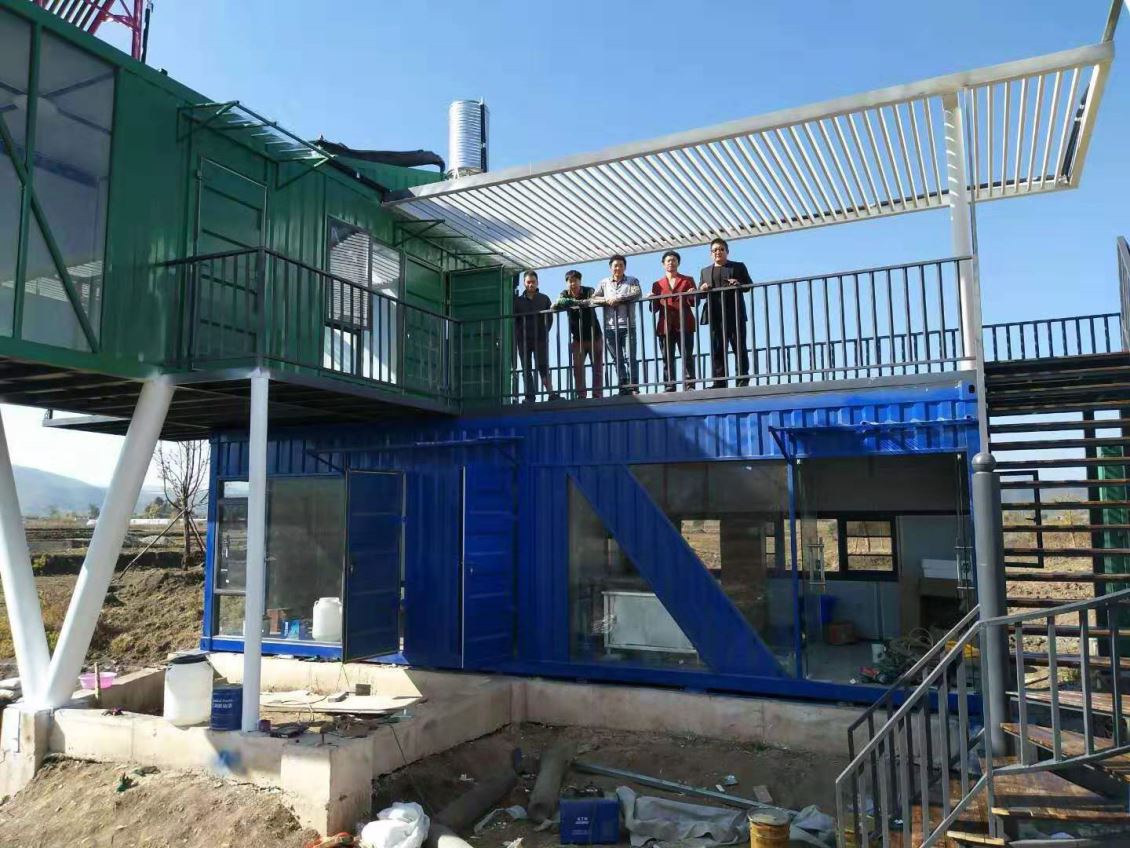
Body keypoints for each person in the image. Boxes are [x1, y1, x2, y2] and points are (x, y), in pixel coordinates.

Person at [698, 238, 751, 388]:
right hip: (715, 315)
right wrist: (702, 289)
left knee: (739, 347)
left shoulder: (738, 266)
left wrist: (738, 284)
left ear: (727, 251)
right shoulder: (705, 271)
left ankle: (742, 379)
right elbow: (700, 295)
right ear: (711, 254)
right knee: (717, 349)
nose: (718, 252)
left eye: (721, 249)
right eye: (715, 250)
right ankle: (719, 381)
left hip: (735, 314)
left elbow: (748, 285)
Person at [592, 255, 641, 395]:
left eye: (621, 265)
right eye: (615, 265)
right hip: (610, 327)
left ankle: (633, 386)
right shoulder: (604, 282)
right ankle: (623, 386)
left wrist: (618, 299)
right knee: (617, 359)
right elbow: (594, 298)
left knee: (630, 357)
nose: (618, 268)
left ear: (625, 267)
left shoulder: (632, 280)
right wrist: (607, 300)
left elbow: (637, 293)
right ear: (610, 267)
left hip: (628, 325)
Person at [649, 250, 697, 392]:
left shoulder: (687, 280)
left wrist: (692, 295)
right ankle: (670, 385)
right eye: (668, 260)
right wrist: (652, 299)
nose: (671, 262)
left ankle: (689, 384)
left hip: (684, 322)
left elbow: (694, 303)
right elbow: (654, 309)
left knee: (687, 355)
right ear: (663, 264)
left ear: (678, 263)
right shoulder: (657, 284)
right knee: (667, 357)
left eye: (674, 260)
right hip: (665, 325)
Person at [555, 269, 604, 399]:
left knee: (597, 368)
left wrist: (572, 303)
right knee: (577, 368)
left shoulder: (589, 290)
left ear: (580, 281)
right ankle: (581, 395)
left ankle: (597, 394)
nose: (573, 284)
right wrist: (578, 303)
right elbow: (559, 301)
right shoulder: (564, 294)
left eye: (575, 281)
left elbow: (591, 301)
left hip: (595, 336)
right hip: (577, 338)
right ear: (567, 283)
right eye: (570, 281)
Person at [513, 270, 558, 402]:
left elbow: (549, 318)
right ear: (524, 283)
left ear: (537, 282)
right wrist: (519, 334)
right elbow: (515, 321)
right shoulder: (517, 301)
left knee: (543, 366)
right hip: (523, 340)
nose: (530, 284)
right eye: (528, 282)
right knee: (526, 368)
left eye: (533, 282)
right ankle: (530, 396)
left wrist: (544, 332)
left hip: (540, 339)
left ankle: (551, 393)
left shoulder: (544, 298)